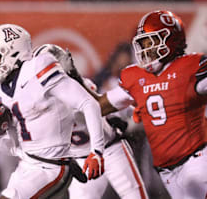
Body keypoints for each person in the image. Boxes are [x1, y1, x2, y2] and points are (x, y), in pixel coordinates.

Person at [67, 10, 207, 199]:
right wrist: (75, 81)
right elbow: (98, 106)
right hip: (167, 170)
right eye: (143, 44)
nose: (146, 50)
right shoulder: (135, 77)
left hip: (197, 158)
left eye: (151, 42)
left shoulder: (191, 67)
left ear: (170, 40)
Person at [0, 23, 105, 199]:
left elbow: (89, 103)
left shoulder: (37, 68)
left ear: (12, 51)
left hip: (51, 167)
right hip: (25, 166)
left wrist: (96, 152)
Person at [34, 44, 148, 199]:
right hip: (81, 159)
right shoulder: (33, 98)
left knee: (135, 196)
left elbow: (93, 104)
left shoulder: (81, 86)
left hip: (109, 150)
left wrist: (75, 77)